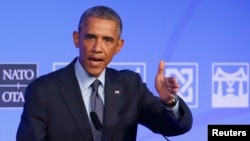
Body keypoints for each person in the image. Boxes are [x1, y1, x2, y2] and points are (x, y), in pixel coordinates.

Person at [16, 5, 193, 141]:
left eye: (107, 40)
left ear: (118, 46)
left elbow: (174, 128)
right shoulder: (43, 90)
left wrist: (169, 102)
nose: (98, 48)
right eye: (90, 37)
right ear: (77, 39)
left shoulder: (130, 85)